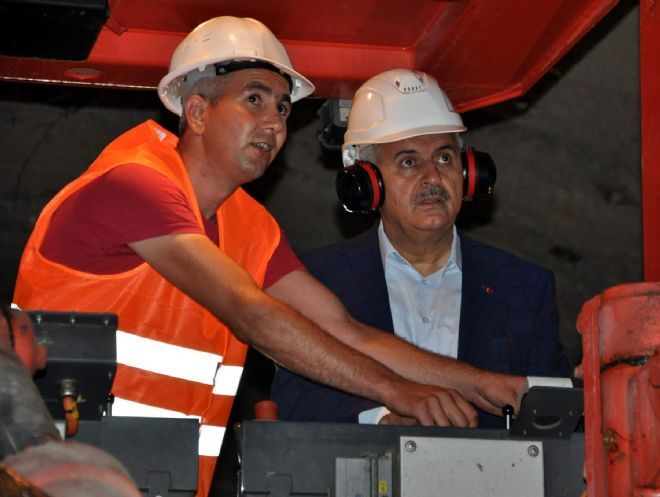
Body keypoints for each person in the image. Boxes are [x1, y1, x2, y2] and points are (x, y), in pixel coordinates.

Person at [12, 19, 526, 497]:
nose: (275, 122)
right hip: (55, 477)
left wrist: (481, 383)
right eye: (254, 99)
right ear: (197, 112)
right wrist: (400, 392)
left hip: (162, 482)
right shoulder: (135, 183)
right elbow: (250, 311)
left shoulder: (250, 225)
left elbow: (344, 330)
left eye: (282, 108)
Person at [272, 68, 571, 427]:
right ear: (367, 183)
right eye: (409, 162)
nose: (432, 178)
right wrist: (380, 420)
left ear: (468, 173)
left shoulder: (525, 287)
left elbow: (555, 418)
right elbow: (293, 403)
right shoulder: (315, 280)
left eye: (444, 158)